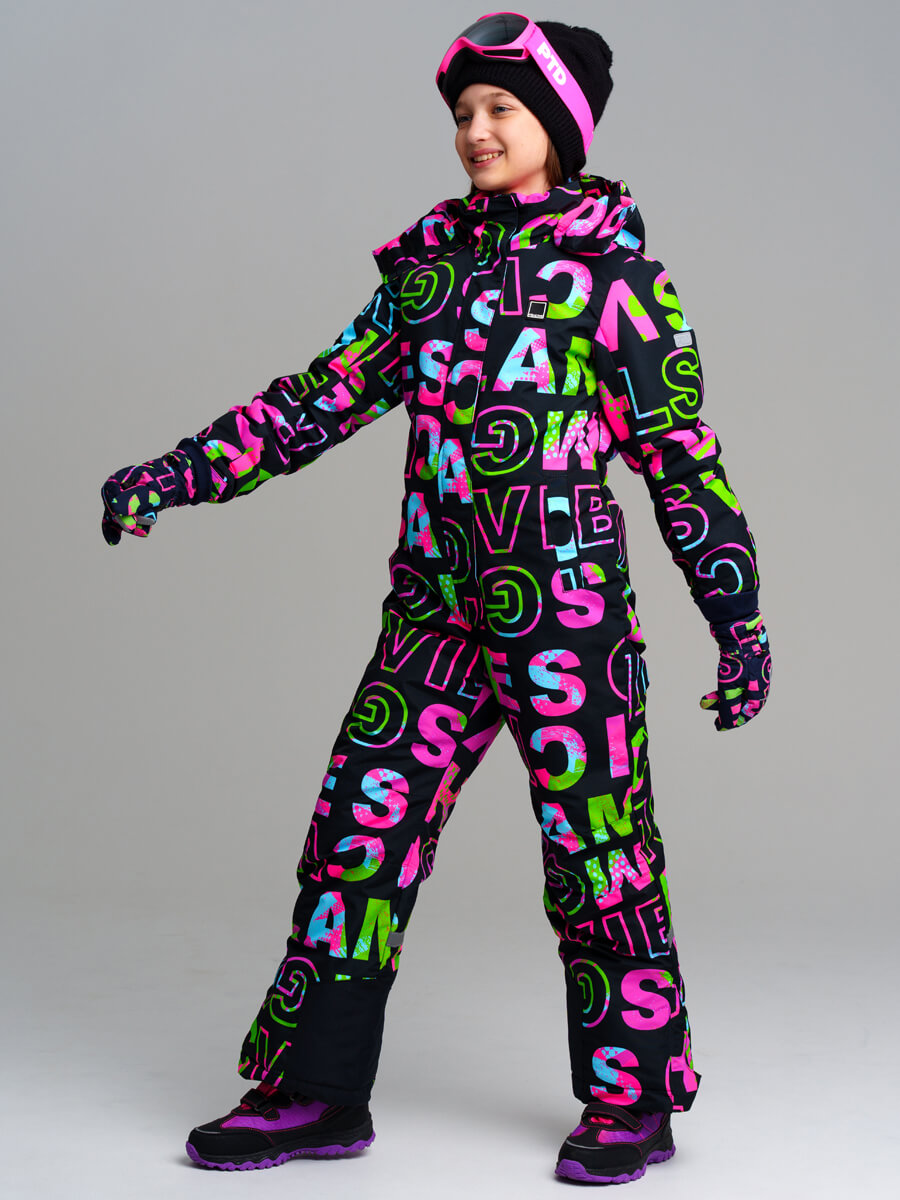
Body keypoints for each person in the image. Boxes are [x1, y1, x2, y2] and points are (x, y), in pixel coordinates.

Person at [100, 12, 771, 1186]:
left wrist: (740, 624)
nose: (476, 131)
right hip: (433, 616)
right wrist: (176, 473)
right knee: (354, 842)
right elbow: (316, 400)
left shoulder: (619, 280)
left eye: (503, 108)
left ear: (558, 123)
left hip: (568, 624)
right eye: (464, 113)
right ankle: (315, 1093)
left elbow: (682, 462)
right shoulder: (429, 274)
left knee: (600, 857)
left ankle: (633, 1103)